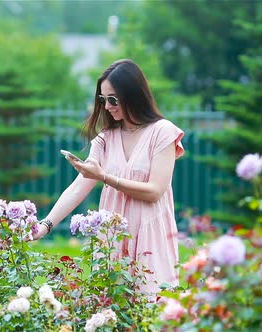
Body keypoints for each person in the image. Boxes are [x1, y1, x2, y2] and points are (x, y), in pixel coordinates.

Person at [33, 59, 185, 295]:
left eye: (113, 99)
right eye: (103, 100)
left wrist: (105, 177)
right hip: (112, 239)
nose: (106, 106)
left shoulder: (162, 132)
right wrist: (45, 225)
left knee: (153, 310)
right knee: (111, 309)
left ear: (133, 95)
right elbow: (77, 189)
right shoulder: (106, 138)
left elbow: (155, 190)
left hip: (150, 236)